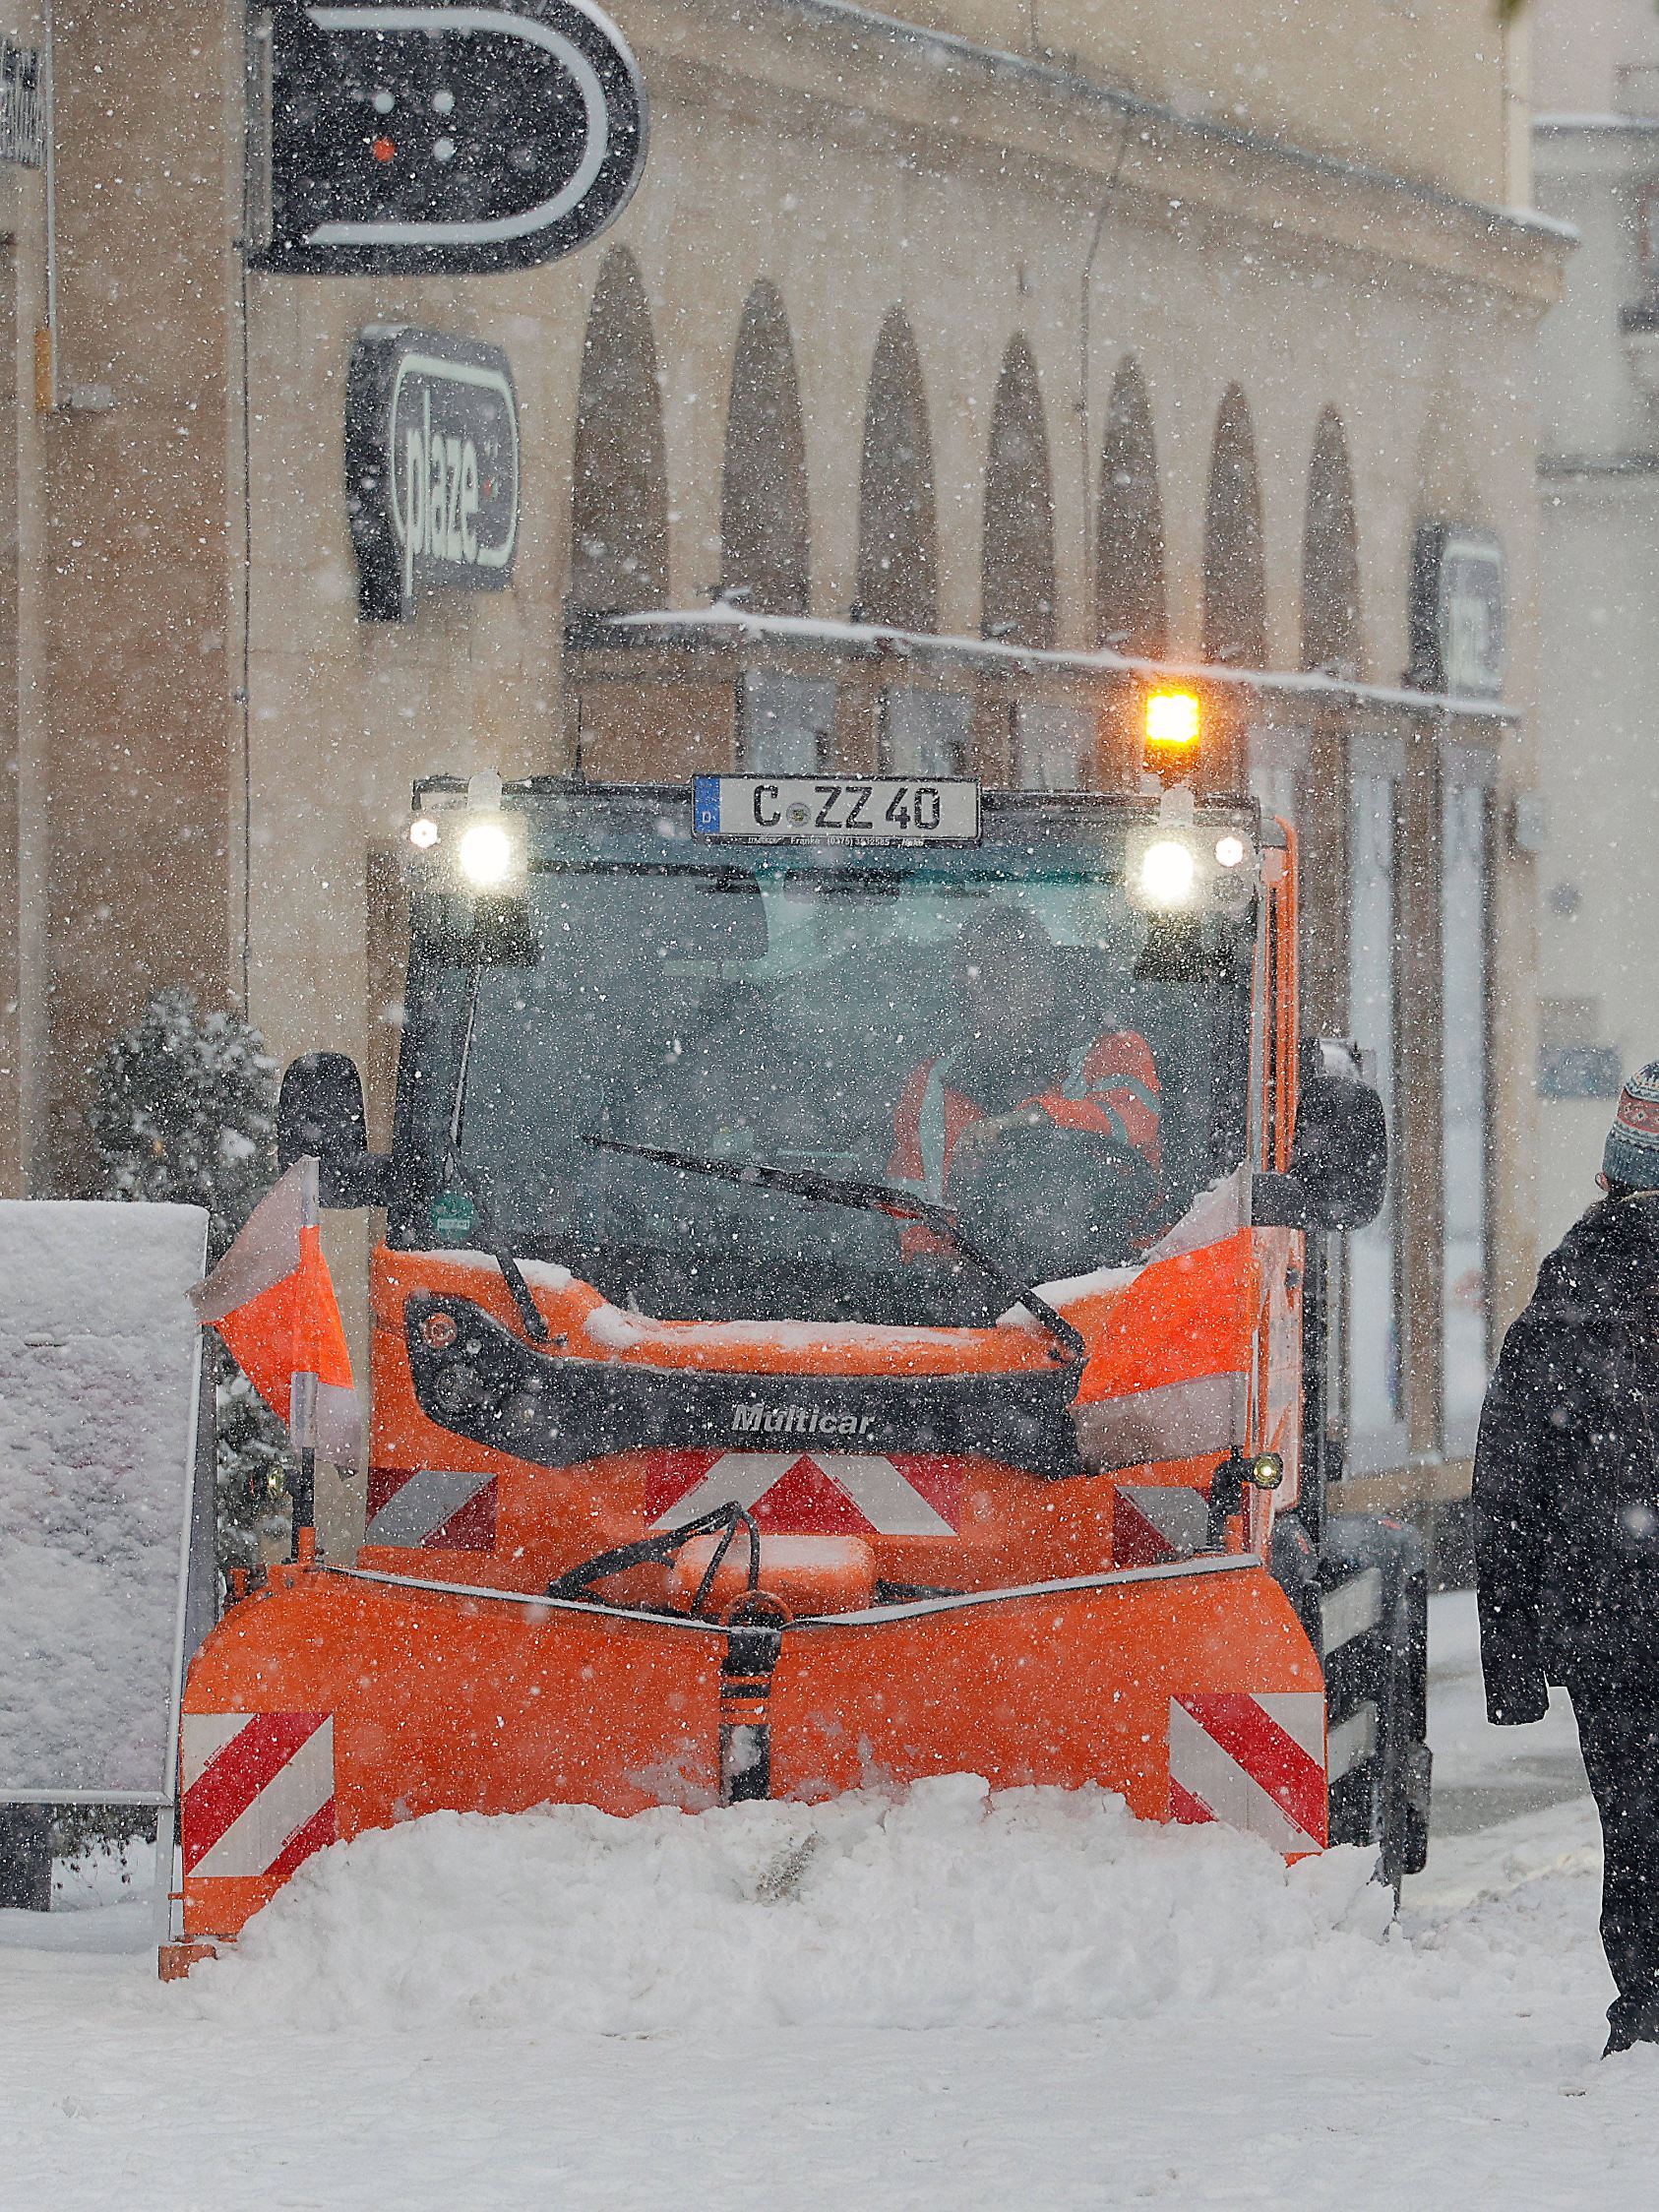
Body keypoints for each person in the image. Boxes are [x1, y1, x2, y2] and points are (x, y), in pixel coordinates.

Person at [1472, 1063, 1659, 2055]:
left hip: (1611, 1625)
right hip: (1614, 1613)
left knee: (1636, 1821)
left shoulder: (1566, 1304)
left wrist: (1513, 1661)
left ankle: (1650, 2001)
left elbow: (1508, 1493)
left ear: (1611, 1176)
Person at [887, 903, 1161, 1257]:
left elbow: (1131, 1122)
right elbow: (910, 1206)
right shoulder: (931, 1085)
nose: (990, 987)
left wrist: (1027, 1121)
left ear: (1048, 982)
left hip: (1119, 1275)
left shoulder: (1116, 1051)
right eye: (980, 973)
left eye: (1011, 970)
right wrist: (949, 1262)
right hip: (972, 1279)